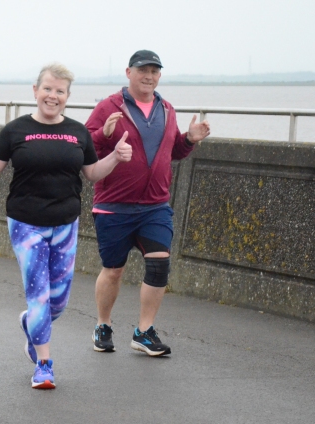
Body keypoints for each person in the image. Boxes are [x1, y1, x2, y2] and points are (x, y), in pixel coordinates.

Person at [0, 63, 132, 389]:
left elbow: (91, 173)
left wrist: (115, 156)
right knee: (39, 296)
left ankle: (31, 324)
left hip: (66, 224)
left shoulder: (78, 132)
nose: (52, 96)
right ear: (35, 91)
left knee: (58, 301)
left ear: (67, 97)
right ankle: (44, 364)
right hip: (26, 224)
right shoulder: (16, 130)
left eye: (60, 91)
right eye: (47, 89)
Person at [85, 50, 210, 356]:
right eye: (143, 70)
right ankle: (103, 324)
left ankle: (143, 331)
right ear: (128, 72)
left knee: (159, 265)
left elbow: (172, 152)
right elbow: (85, 145)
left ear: (160, 76)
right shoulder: (108, 106)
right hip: (114, 204)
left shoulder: (166, 109)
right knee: (113, 270)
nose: (149, 76)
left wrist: (189, 140)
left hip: (155, 205)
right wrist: (105, 134)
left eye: (154, 71)